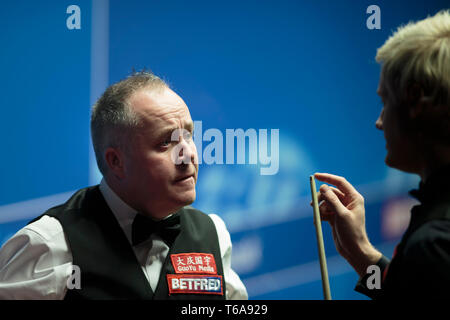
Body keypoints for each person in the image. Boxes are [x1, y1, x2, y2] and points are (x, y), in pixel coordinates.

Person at [0, 71, 248, 300]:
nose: (187, 155)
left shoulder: (213, 234)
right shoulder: (49, 245)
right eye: (165, 142)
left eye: (188, 136)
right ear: (116, 161)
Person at [314, 10, 450, 299]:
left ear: (414, 101)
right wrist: (361, 254)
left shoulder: (434, 245)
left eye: (385, 101)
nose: (379, 122)